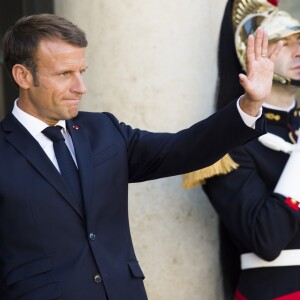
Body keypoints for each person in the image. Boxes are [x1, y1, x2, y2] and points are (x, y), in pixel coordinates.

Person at [0, 13, 280, 300]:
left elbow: (184, 149)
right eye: (64, 74)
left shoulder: (104, 130)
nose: (80, 88)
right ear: (23, 75)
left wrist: (248, 104)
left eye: (81, 72)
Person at [183, 0, 300, 299]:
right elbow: (266, 238)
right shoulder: (224, 145)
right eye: (282, 43)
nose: (298, 50)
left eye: (299, 39)